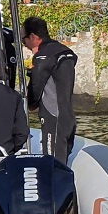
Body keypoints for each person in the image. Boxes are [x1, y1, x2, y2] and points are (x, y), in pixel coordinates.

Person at [24, 16, 77, 162]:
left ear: (33, 37)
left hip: (52, 118)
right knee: (62, 162)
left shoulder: (43, 57)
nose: (25, 45)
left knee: (52, 164)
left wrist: (29, 104)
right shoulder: (64, 52)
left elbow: (36, 86)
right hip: (67, 117)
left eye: (24, 40)